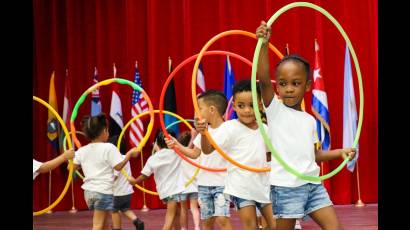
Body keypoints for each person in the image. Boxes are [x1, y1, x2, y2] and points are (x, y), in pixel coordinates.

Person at [256, 21, 356, 230]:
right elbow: (264, 80)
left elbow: (314, 155)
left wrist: (340, 152)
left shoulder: (310, 121)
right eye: (282, 84)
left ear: (308, 85)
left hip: (312, 186)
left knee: (335, 228)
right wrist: (264, 44)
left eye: (296, 83)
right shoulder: (275, 110)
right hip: (286, 188)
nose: (289, 89)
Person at [194, 80, 276, 230]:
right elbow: (207, 150)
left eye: (252, 105)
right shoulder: (229, 128)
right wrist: (204, 133)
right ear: (234, 107)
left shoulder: (265, 129)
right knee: (251, 226)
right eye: (241, 106)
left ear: (260, 106)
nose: (246, 110)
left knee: (276, 225)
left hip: (263, 186)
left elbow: (270, 156)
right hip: (241, 188)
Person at [166, 90, 232, 230]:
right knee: (207, 222)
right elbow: (195, 153)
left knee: (222, 218)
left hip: (222, 182)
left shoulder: (229, 129)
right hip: (203, 183)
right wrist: (176, 145)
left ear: (212, 110)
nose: (197, 113)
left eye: (199, 108)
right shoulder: (205, 131)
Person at [72, 113, 139, 230]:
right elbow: (118, 167)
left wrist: (73, 159)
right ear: (104, 131)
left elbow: (72, 167)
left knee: (104, 223)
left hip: (88, 193)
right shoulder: (109, 147)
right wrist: (129, 154)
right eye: (107, 130)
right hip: (102, 191)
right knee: (98, 224)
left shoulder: (82, 150)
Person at [128, 130, 184, 230]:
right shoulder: (176, 153)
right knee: (169, 219)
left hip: (165, 192)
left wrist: (135, 181)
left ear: (157, 143)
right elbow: (190, 151)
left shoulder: (153, 158)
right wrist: (193, 137)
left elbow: (144, 175)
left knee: (177, 213)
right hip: (173, 191)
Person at [111, 153, 144, 230]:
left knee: (114, 211)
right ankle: (137, 222)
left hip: (118, 192)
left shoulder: (115, 159)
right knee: (125, 209)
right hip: (128, 190)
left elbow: (115, 176)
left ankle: (116, 228)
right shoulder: (125, 158)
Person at [177, 130, 201, 230]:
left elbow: (187, 149)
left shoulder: (179, 154)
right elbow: (189, 148)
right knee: (194, 207)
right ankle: (197, 227)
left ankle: (183, 228)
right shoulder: (197, 154)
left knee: (183, 208)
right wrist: (194, 137)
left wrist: (193, 137)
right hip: (192, 185)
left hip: (183, 186)